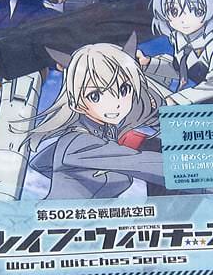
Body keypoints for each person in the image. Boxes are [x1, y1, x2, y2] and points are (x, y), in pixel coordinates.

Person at [27, 37, 170, 200]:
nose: (115, 103)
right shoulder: (80, 142)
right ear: (76, 103)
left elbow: (41, 163)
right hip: (65, 215)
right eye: (95, 95)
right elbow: (148, 164)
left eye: (124, 89)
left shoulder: (106, 134)